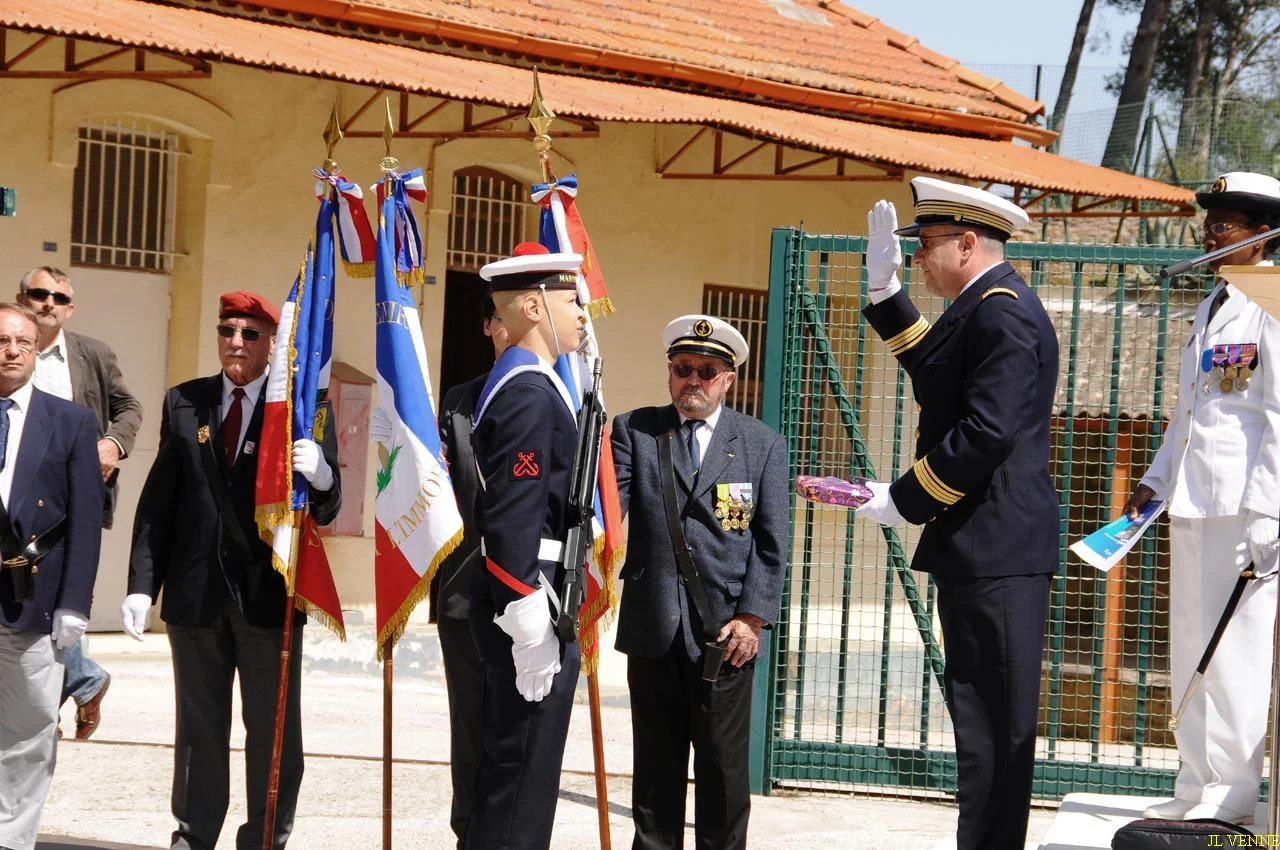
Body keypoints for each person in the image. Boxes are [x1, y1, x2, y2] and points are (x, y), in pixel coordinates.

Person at [852, 177, 1059, 850]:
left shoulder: (1002, 312)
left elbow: (986, 433)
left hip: (997, 548)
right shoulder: (987, 306)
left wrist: (903, 498)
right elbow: (937, 373)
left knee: (996, 731)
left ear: (968, 243)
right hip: (982, 548)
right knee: (981, 730)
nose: (918, 257)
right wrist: (886, 296)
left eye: (927, 245)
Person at [121, 291, 341, 850]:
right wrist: (142, 585)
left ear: (272, 343)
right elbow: (158, 505)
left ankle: (265, 837)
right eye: (226, 332)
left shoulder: (300, 408)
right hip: (196, 597)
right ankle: (193, 836)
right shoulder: (184, 402)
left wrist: (322, 478)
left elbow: (327, 508)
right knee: (198, 730)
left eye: (249, 334)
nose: (235, 343)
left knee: (272, 734)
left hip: (267, 596)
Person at [1126, 171, 1280, 826]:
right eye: (1211, 220)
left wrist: (1271, 513)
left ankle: (1233, 793)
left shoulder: (1270, 302)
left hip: (1242, 509)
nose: (1212, 232)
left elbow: (1276, 417)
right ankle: (1196, 782)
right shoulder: (1212, 304)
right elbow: (1189, 414)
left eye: (1229, 222)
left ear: (1262, 234)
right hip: (1192, 502)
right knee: (1190, 646)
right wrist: (1155, 481)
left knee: (1235, 654)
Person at [611, 314, 789, 850]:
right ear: (670, 372)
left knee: (723, 774)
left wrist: (753, 618)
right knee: (655, 775)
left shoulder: (761, 444)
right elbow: (604, 509)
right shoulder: (634, 430)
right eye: (683, 368)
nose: (693, 380)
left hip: (726, 635)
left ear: (728, 379)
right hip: (653, 626)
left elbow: (771, 543)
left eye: (707, 371)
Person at [464, 243, 587, 850]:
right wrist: (527, 616)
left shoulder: (524, 381)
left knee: (515, 769)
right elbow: (512, 511)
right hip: (532, 593)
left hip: (536, 587)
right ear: (534, 306)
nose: (583, 311)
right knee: (521, 776)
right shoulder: (528, 390)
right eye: (571, 299)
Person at [17, 265, 143, 740]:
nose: (48, 303)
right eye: (39, 293)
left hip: (71, 493)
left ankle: (57, 692)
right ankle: (80, 679)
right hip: (14, 491)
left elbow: (129, 407)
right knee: (23, 592)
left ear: (70, 308)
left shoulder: (91, 354)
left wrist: (113, 444)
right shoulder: (9, 348)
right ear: (21, 296)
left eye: (59, 298)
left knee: (55, 590)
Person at [0, 301, 104, 850]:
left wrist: (75, 605)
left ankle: (11, 840)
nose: (12, 350)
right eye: (1, 341)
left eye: (22, 341)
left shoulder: (70, 421)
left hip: (30, 599)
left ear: (37, 349)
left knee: (28, 733)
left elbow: (86, 519)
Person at [431, 295, 508, 847]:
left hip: (531, 589)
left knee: (520, 729)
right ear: (487, 326)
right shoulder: (459, 400)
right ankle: (468, 835)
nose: (508, 327)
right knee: (469, 729)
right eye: (497, 317)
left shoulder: (561, 391)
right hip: (463, 589)